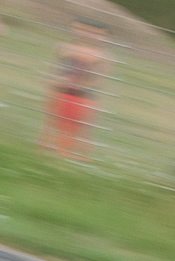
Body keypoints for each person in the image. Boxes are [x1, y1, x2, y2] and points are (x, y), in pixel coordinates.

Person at [39, 18, 110, 161]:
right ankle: (49, 144)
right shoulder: (64, 47)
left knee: (78, 125)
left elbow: (100, 78)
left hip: (83, 96)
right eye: (81, 29)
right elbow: (55, 68)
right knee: (53, 119)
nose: (87, 35)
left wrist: (83, 84)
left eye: (95, 33)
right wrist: (53, 80)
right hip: (60, 91)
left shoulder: (103, 56)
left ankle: (74, 152)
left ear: (104, 37)